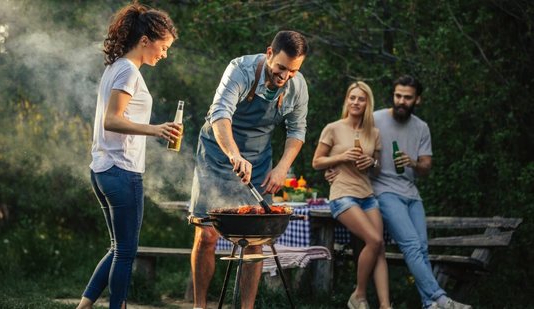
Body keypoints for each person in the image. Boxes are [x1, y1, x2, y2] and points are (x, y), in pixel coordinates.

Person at [188, 30, 309, 309]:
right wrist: (233, 154)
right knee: (206, 234)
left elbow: (297, 130)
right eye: (280, 67)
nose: (284, 76)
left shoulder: (297, 86)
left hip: (258, 158)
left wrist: (281, 168)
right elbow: (220, 116)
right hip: (217, 154)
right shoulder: (239, 69)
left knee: (256, 236)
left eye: (292, 70)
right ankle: (199, 305)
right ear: (269, 53)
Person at [329, 75, 471, 309]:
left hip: (411, 193)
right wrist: (334, 169)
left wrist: (413, 163)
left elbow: (426, 166)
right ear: (393, 95)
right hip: (383, 191)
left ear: (418, 100)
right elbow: (343, 137)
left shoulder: (421, 127)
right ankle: (440, 297)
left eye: (407, 97)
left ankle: (429, 303)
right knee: (411, 245)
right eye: (398, 96)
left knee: (422, 247)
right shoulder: (374, 120)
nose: (401, 101)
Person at [76, 3, 179, 309]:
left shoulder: (116, 67)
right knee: (126, 251)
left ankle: (82, 307)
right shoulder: (128, 71)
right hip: (121, 170)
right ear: (145, 40)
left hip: (103, 169)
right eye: (163, 47)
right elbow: (112, 119)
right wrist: (156, 129)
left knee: (117, 247)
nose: (164, 54)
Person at [313, 81, 392, 309]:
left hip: (367, 194)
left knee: (379, 248)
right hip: (342, 195)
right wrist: (342, 157)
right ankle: (359, 294)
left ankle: (386, 305)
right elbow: (317, 162)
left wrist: (372, 161)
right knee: (374, 239)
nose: (356, 102)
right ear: (347, 100)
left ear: (368, 103)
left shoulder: (374, 133)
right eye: (352, 98)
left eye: (361, 99)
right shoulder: (333, 128)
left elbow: (376, 169)